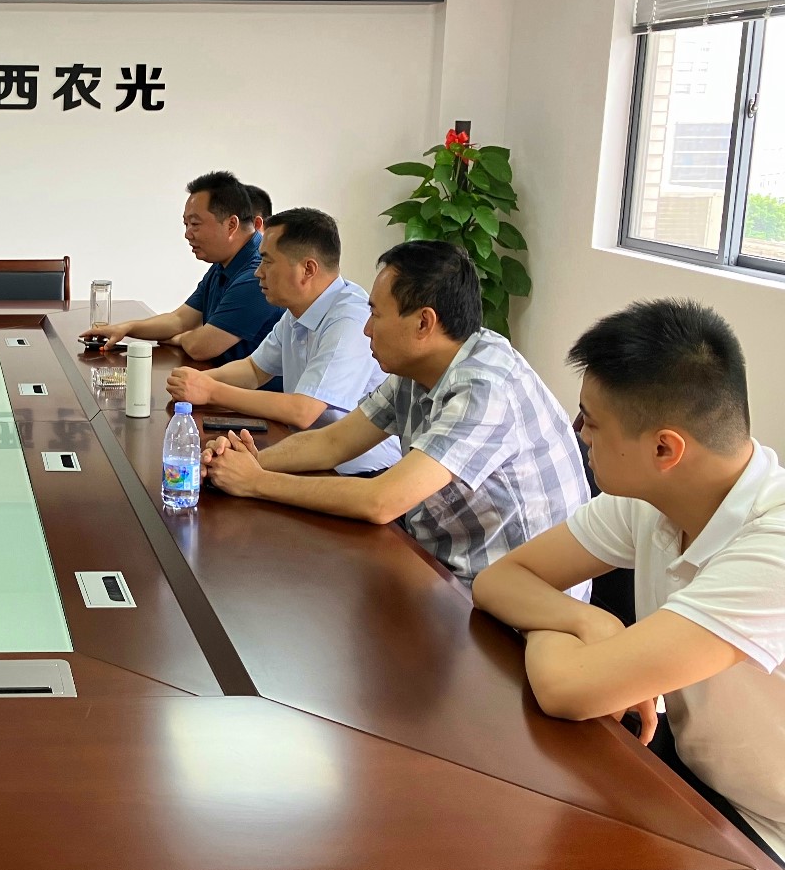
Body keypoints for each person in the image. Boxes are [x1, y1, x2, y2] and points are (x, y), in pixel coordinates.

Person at [472, 300, 785, 864]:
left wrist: (568, 640)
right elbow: (500, 581)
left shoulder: (774, 552)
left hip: (765, 829)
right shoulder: (654, 498)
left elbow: (567, 692)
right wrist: (590, 621)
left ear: (664, 448)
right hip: (690, 779)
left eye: (590, 421)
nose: (580, 435)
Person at [203, 240, 590, 588]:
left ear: (424, 322)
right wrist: (247, 463)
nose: (367, 329)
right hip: (442, 562)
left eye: (376, 314)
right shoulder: (422, 364)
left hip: (509, 602)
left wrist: (257, 482)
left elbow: (381, 501)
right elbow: (333, 442)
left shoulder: (485, 388)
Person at [165, 207, 401, 475]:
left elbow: (303, 411)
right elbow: (253, 370)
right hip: (306, 454)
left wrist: (210, 391)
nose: (258, 272)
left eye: (267, 261)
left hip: (360, 472)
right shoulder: (297, 310)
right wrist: (197, 381)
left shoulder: (351, 317)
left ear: (307, 269)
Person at [79, 171, 282, 366]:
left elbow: (201, 347)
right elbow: (178, 320)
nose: (187, 234)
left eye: (195, 224)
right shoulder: (224, 262)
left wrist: (178, 338)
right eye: (186, 224)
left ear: (231, 225)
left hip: (246, 388)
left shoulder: (257, 273)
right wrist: (126, 328)